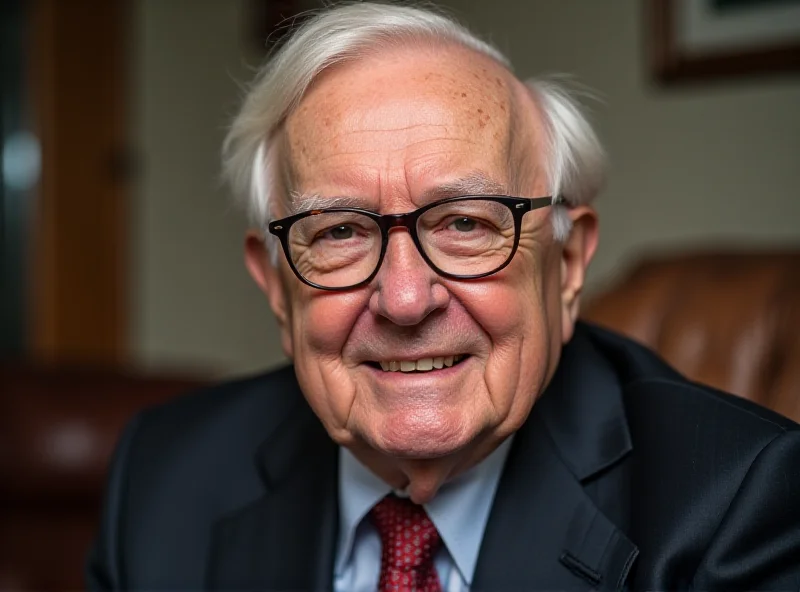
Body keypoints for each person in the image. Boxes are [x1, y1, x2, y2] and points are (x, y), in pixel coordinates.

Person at [87, 3, 800, 590]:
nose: (403, 298)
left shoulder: (735, 506)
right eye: (339, 230)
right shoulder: (164, 479)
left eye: (465, 223)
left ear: (570, 262)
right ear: (277, 284)